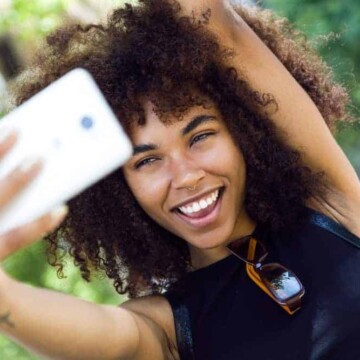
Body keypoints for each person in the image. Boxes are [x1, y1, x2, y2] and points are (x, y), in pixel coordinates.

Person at [0, 0, 359, 359]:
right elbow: (107, 341)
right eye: (148, 160)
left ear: (243, 129)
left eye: (200, 137)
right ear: (120, 191)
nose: (186, 176)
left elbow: (212, 23)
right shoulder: (168, 331)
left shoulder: (330, 207)